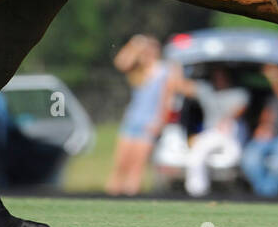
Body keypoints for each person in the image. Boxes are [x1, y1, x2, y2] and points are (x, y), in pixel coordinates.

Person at [105, 35, 172, 195]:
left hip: (148, 123)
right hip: (132, 120)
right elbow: (121, 63)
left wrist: (160, 122)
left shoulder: (164, 70)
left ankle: (129, 201)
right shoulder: (138, 69)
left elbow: (167, 100)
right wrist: (133, 45)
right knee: (120, 165)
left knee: (136, 167)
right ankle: (110, 199)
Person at [172, 65, 249, 197]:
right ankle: (197, 192)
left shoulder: (239, 93)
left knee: (234, 152)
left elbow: (239, 110)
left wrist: (227, 119)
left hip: (231, 132)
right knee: (196, 155)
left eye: (222, 75)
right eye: (216, 76)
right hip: (212, 132)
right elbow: (180, 86)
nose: (219, 79)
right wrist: (177, 64)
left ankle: (241, 191)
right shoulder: (207, 90)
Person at [239, 64, 278, 197]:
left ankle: (269, 194)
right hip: (268, 137)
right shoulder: (270, 98)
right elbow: (266, 116)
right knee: (249, 159)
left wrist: (274, 73)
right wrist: (263, 127)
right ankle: (263, 192)